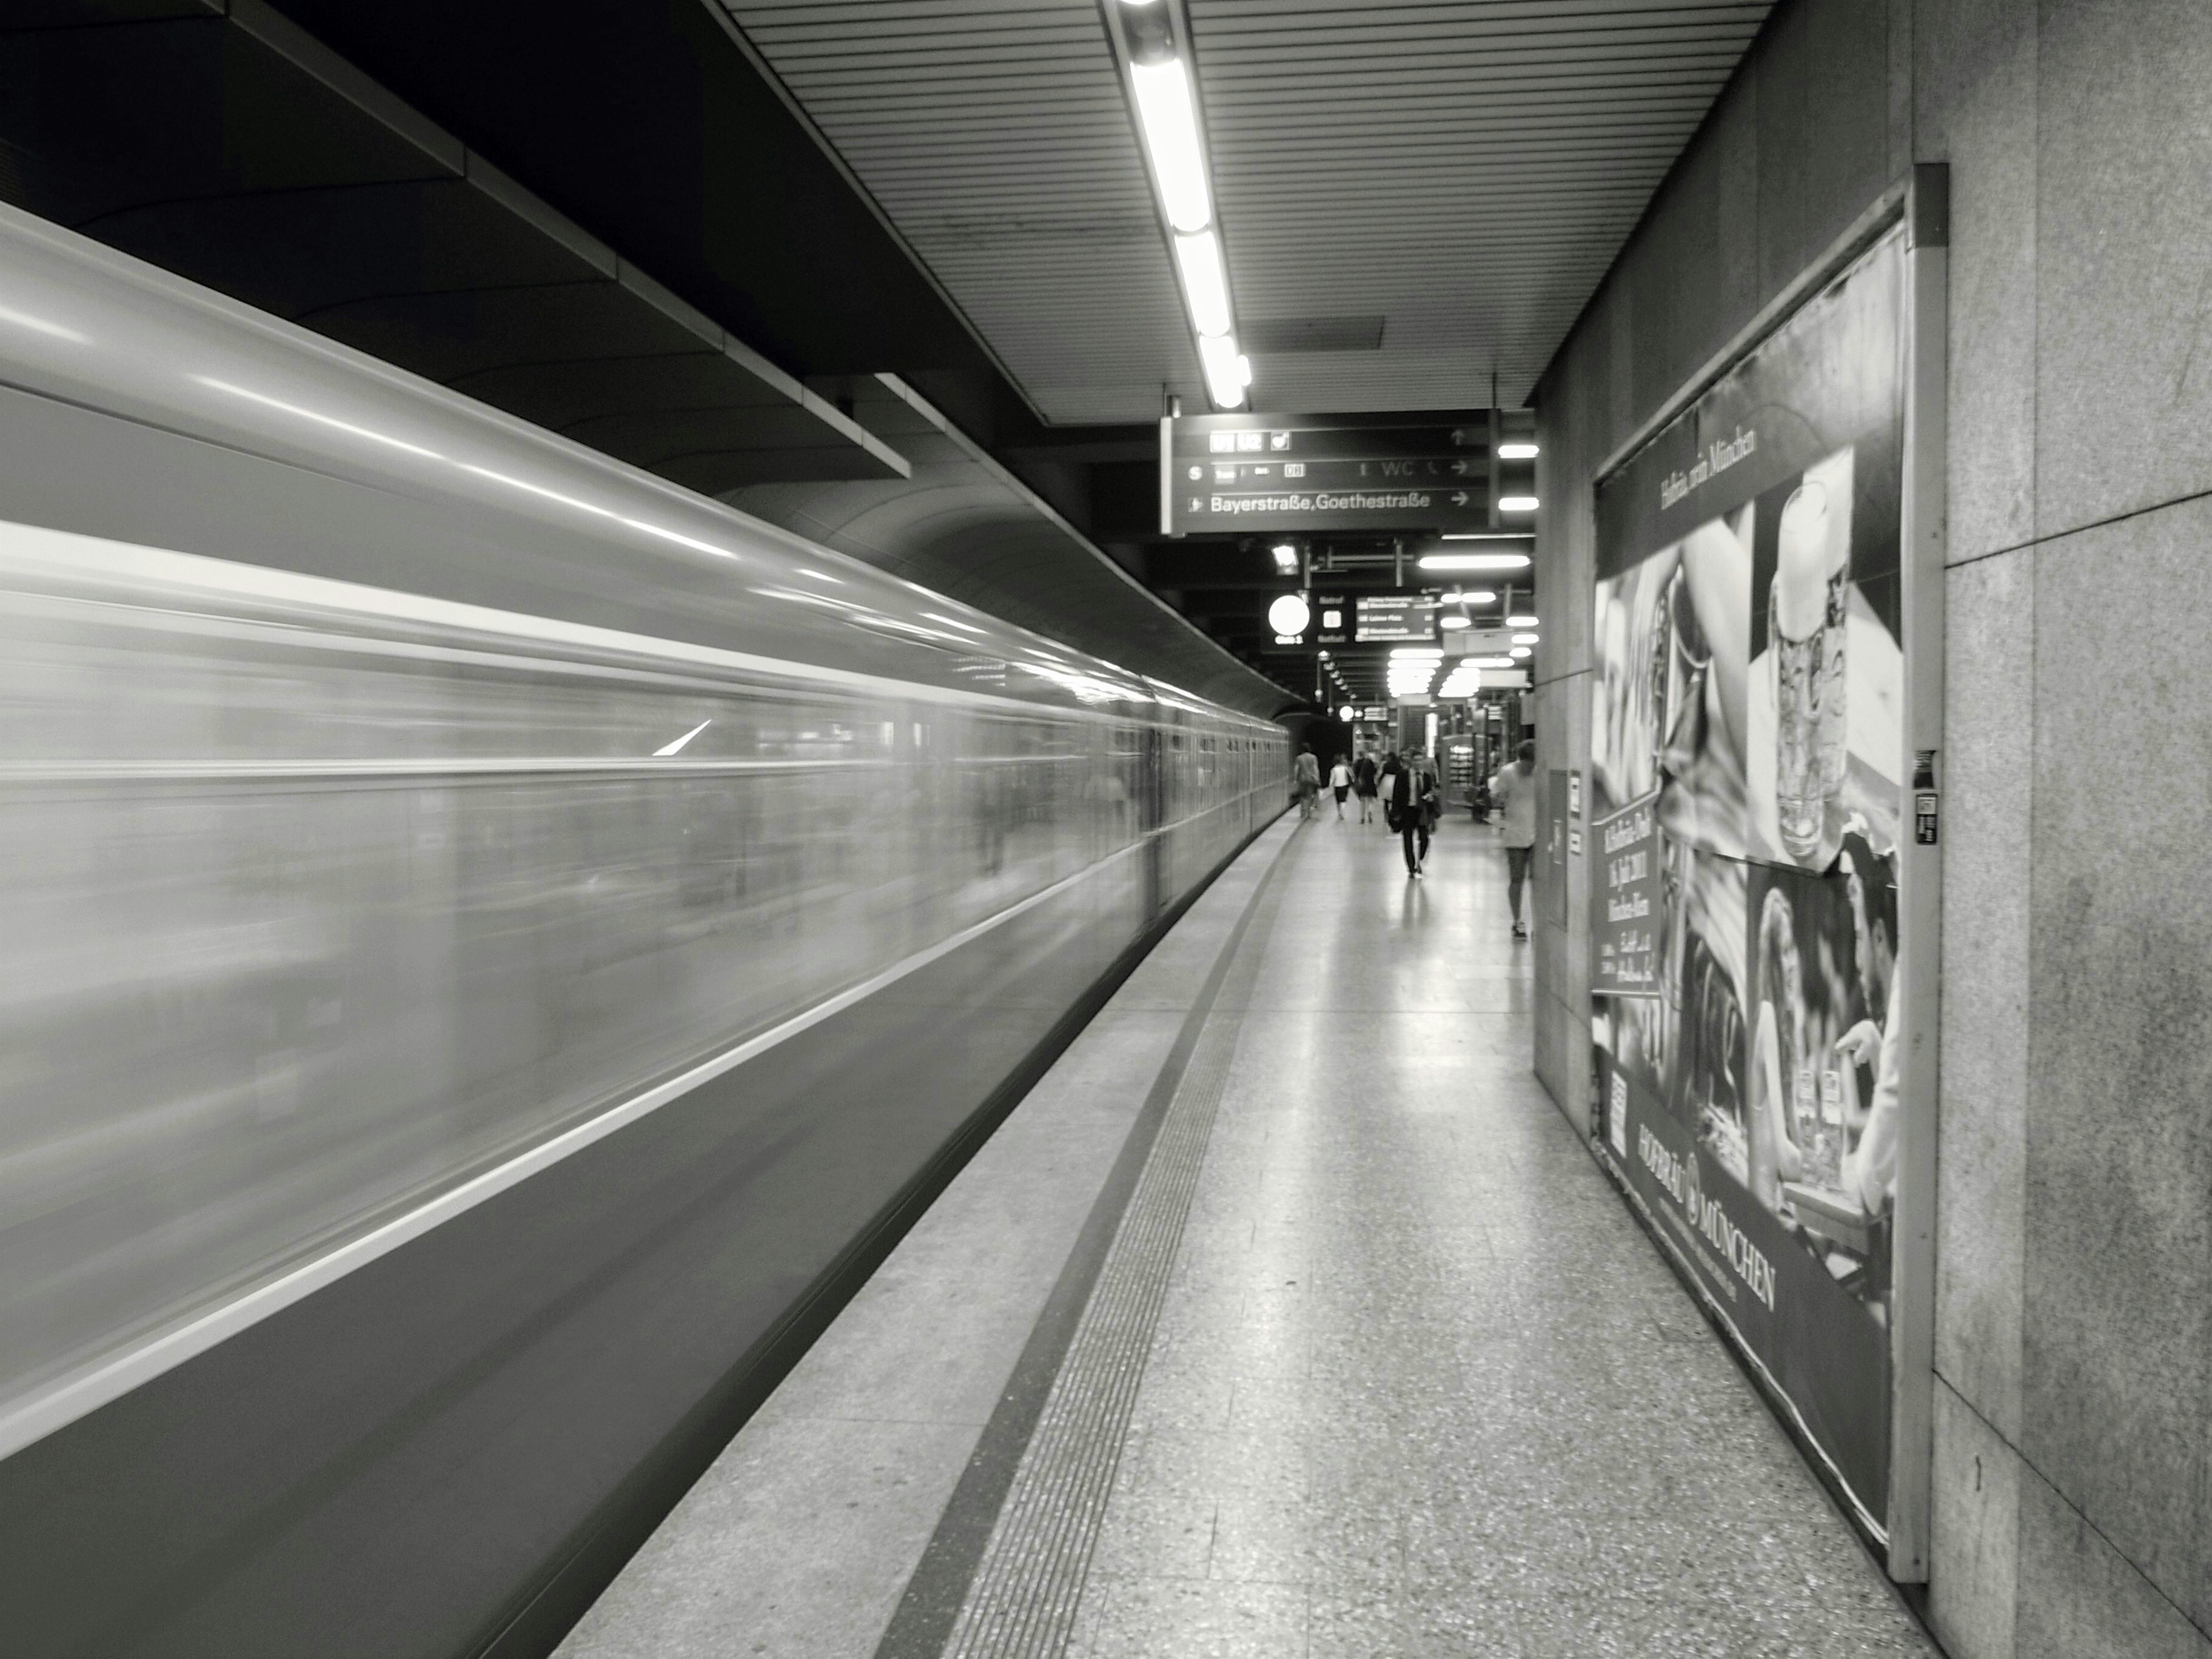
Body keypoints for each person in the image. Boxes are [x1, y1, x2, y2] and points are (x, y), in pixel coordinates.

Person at [1490, 739, 1538, 936]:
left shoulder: (1540, 771)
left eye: (1533, 764)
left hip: (1538, 835)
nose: (1531, 768)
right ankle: (1517, 921)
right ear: (1521, 760)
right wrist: (1498, 798)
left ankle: (1538, 922)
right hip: (1515, 834)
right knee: (1517, 879)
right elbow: (1496, 796)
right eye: (1528, 764)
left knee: (1538, 880)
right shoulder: (1508, 773)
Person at [1390, 751, 1438, 877]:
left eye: (1420, 760)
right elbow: (1396, 795)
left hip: (1422, 811)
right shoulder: (1402, 776)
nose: (1418, 763)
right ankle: (1411, 867)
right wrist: (1395, 812)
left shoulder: (1426, 777)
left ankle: (1420, 859)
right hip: (1407, 810)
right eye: (1416, 760)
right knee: (1408, 838)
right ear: (1411, 761)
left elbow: (1430, 792)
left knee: (1424, 838)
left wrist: (1430, 798)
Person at [1293, 744, 1320, 820]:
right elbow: (1315, 768)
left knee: (1302, 796)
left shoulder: (1299, 758)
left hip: (1302, 779)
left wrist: (1295, 779)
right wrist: (1317, 778)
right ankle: (1308, 814)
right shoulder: (1313, 757)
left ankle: (1302, 812)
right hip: (1311, 779)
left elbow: (1296, 768)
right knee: (1309, 796)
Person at [1353, 750, 1379, 824]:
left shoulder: (1357, 763)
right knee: (1370, 800)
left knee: (1362, 801)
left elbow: (1356, 774)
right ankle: (1370, 811)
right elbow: (1374, 771)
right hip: (1370, 783)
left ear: (1359, 754)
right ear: (1365, 754)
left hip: (1362, 784)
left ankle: (1362, 818)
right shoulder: (1370, 761)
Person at [1327, 754, 1352, 820]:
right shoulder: (1345, 768)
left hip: (1337, 786)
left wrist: (1330, 787)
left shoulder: (1333, 769)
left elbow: (1332, 779)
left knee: (1338, 801)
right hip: (1345, 785)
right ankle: (1342, 812)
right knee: (1343, 800)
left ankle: (1339, 813)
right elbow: (1351, 776)